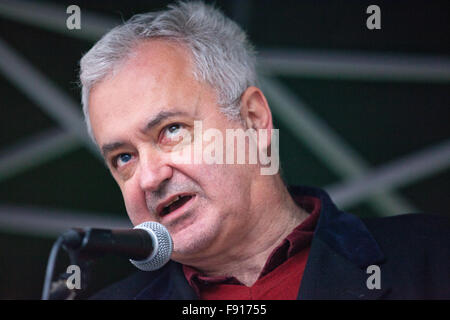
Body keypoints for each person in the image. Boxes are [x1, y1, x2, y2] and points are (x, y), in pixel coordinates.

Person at [79, 1, 449, 299]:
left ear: (253, 120)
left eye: (171, 130)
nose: (149, 176)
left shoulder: (433, 256)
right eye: (123, 157)